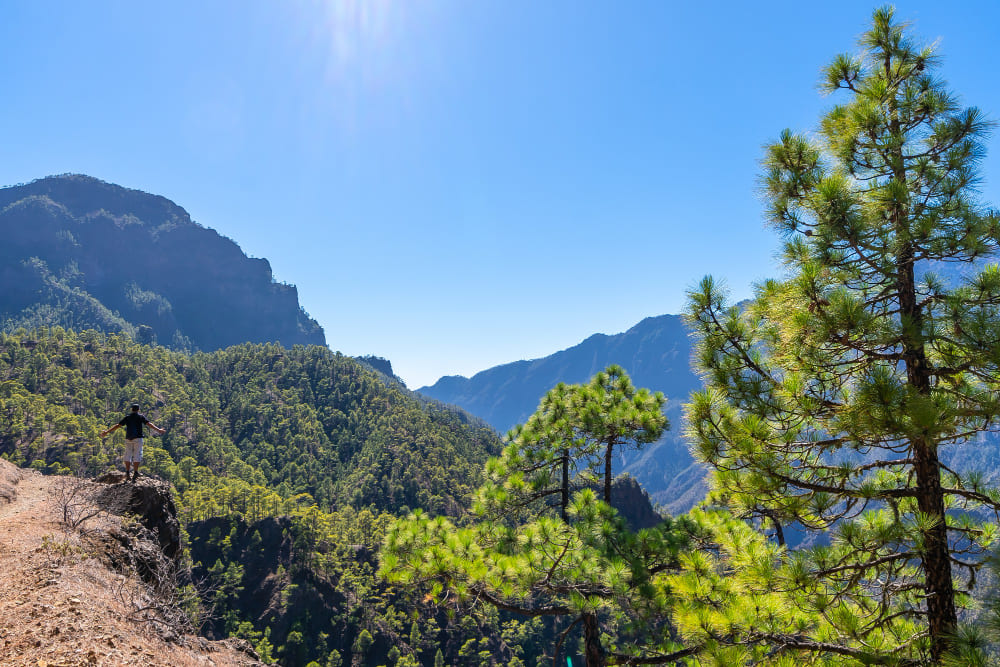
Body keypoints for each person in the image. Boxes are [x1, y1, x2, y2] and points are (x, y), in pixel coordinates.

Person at [100, 403, 165, 482]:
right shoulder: (141, 417)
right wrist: (158, 430)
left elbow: (118, 425)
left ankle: (127, 473)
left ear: (131, 409)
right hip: (138, 438)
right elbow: (149, 424)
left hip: (128, 439)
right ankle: (135, 472)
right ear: (138, 410)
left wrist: (107, 431)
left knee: (128, 455)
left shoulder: (128, 417)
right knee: (137, 455)